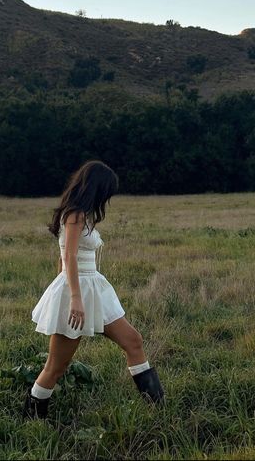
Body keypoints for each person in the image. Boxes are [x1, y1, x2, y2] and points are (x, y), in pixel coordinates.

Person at [23, 160, 164, 420]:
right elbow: (69, 257)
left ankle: (158, 409)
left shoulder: (84, 216)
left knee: (133, 341)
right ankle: (32, 416)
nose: (107, 198)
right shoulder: (74, 214)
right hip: (78, 292)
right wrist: (72, 298)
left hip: (94, 289)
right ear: (95, 188)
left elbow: (63, 258)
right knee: (57, 366)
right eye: (106, 192)